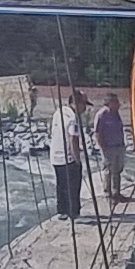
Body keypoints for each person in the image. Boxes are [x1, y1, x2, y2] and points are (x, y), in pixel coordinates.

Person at [51, 89, 88, 221]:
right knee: (73, 185)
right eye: (84, 104)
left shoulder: (59, 112)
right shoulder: (74, 118)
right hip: (68, 157)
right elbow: (73, 139)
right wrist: (77, 159)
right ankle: (74, 213)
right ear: (77, 103)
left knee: (61, 184)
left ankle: (62, 211)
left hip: (55, 155)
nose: (85, 108)